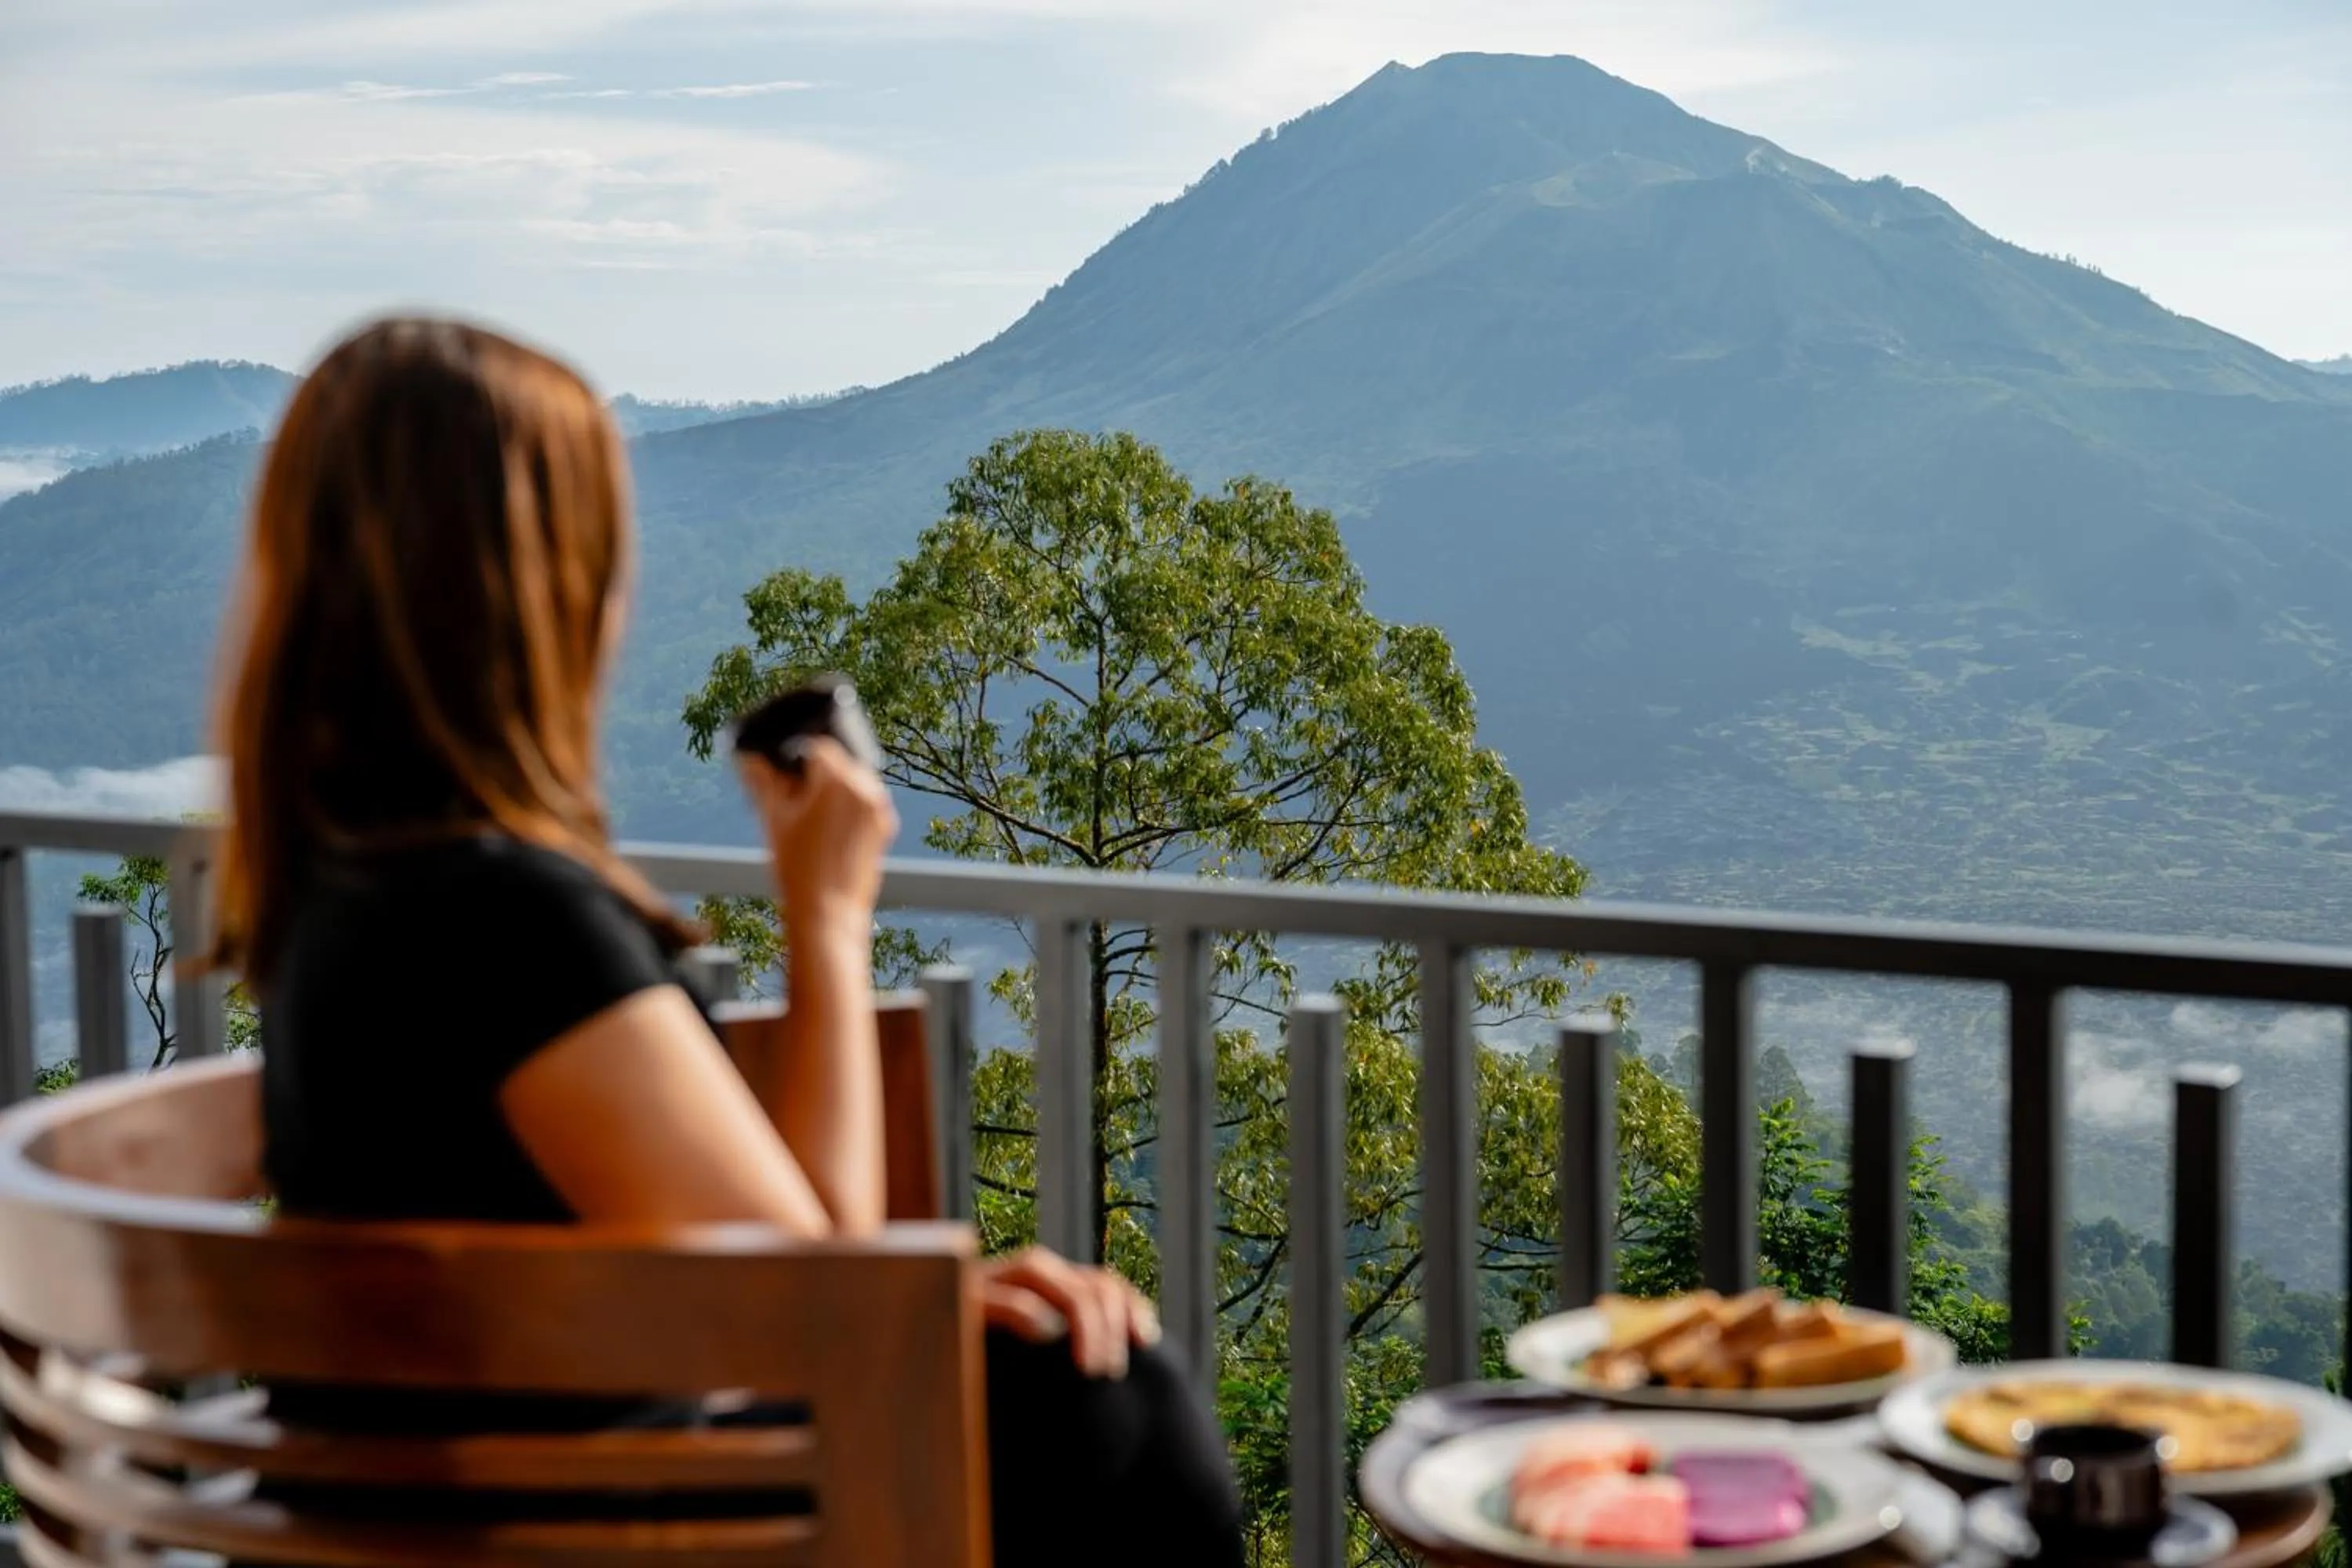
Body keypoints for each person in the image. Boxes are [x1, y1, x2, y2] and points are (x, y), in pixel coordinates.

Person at [206, 316, 1245, 1566]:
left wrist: (823, 919)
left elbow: (809, 1263)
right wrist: (831, 920)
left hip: (460, 1513)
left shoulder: (349, 895)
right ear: (540, 585)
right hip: (591, 1532)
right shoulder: (506, 923)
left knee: (1066, 1378)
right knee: (1106, 1392)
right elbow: (817, 1315)